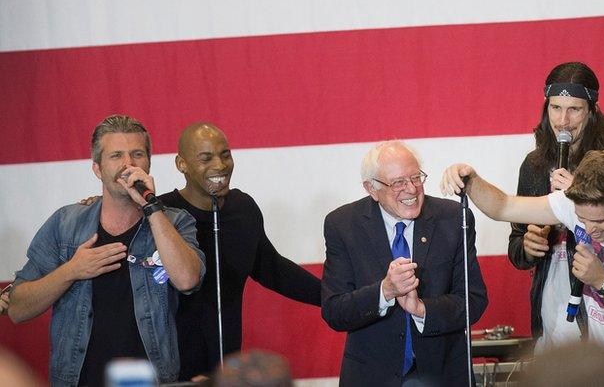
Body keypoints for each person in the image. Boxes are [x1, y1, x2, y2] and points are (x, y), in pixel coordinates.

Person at [442, 149, 604, 385]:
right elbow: (503, 206)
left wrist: (603, 282)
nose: (589, 229)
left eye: (599, 221)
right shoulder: (583, 204)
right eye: (581, 219)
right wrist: (470, 177)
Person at [8, 115, 205, 386]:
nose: (128, 164)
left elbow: (187, 280)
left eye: (137, 154)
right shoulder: (65, 224)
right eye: (116, 155)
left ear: (148, 162)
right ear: (98, 169)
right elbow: (17, 309)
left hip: (154, 380)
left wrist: (152, 208)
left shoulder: (174, 221)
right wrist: (71, 271)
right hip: (77, 380)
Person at [156, 123, 321, 380]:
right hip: (169, 374)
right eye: (206, 158)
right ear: (181, 164)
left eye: (225, 154)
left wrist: (335, 295)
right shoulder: (160, 214)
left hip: (226, 373)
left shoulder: (242, 207)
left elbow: (271, 268)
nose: (220, 165)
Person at [509, 61, 604, 351]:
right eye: (555, 108)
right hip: (552, 301)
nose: (563, 121)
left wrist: (581, 194)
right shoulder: (533, 166)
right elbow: (516, 243)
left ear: (592, 112)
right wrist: (527, 246)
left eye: (574, 109)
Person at [321, 141, 488, 386]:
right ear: (372, 188)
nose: (411, 189)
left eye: (416, 177)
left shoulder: (452, 218)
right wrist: (385, 291)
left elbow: (473, 300)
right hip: (372, 377)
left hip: (443, 374)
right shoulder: (343, 225)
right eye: (398, 182)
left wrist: (422, 309)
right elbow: (335, 311)